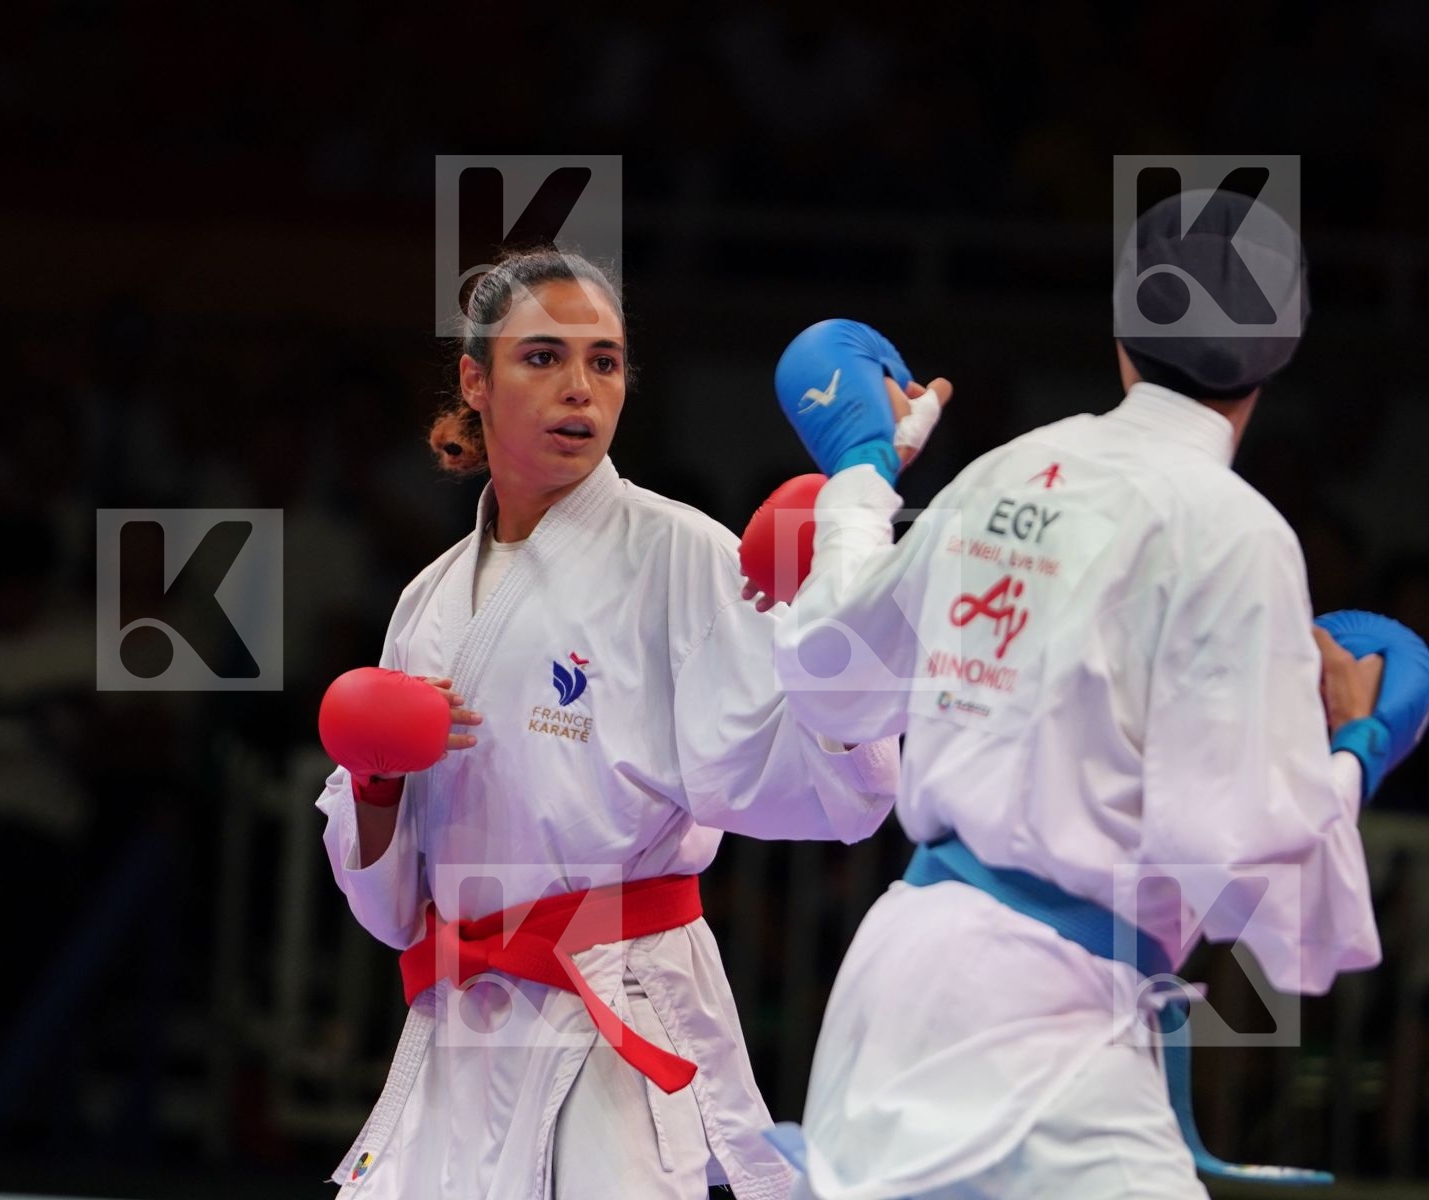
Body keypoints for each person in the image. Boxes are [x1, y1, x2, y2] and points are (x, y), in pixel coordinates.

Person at [756, 191, 1429, 1197]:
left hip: (907, 982)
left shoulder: (1010, 469)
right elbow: (1267, 896)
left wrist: (861, 473)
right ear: (1279, 354)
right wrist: (1356, 743)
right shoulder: (1234, 534)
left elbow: (833, 680)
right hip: (1042, 1028)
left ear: (1121, 329)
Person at [312, 246, 935, 1199]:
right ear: (475, 381)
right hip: (462, 1019)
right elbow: (394, 912)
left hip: (617, 1004)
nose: (580, 388)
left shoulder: (681, 555)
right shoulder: (428, 601)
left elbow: (829, 796)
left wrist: (834, 639)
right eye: (542, 358)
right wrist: (375, 784)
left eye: (604, 362)